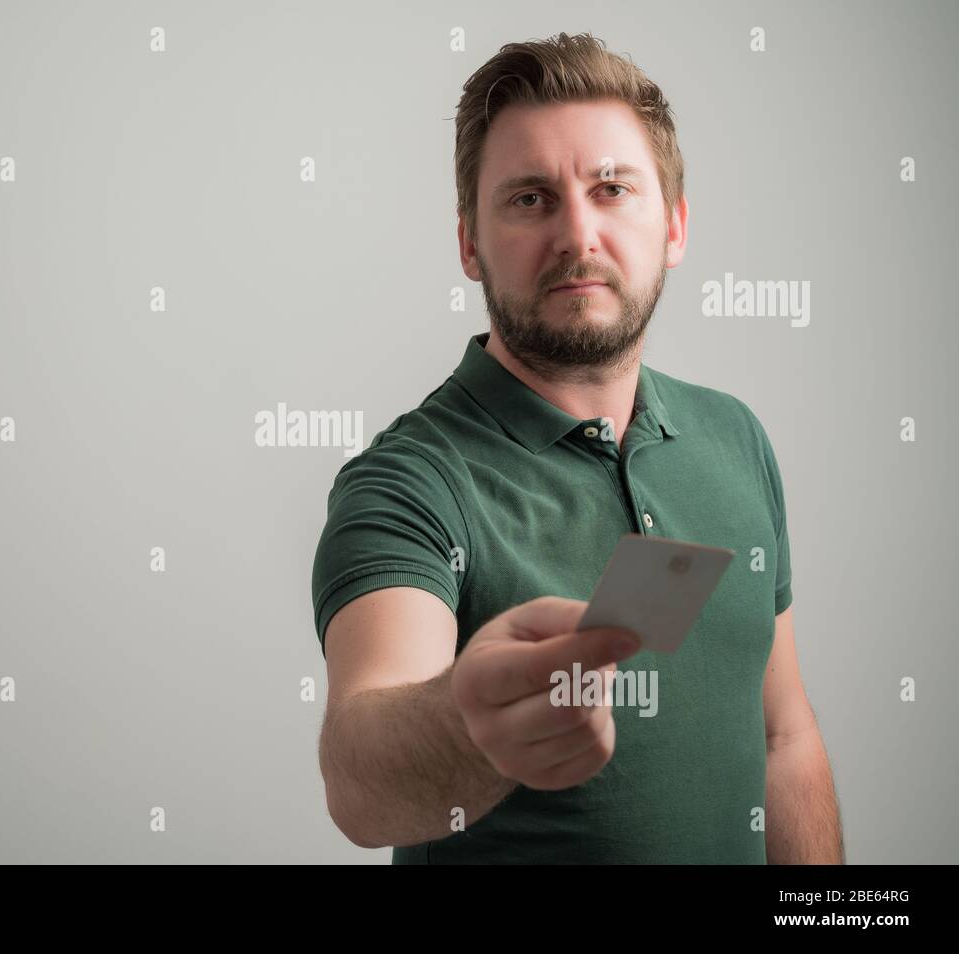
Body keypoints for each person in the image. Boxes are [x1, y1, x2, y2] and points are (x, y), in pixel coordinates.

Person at [310, 32, 843, 864]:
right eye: (529, 198)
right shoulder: (410, 482)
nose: (577, 234)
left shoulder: (735, 437)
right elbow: (360, 778)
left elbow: (786, 736)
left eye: (611, 189)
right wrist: (464, 719)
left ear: (672, 226)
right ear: (469, 244)